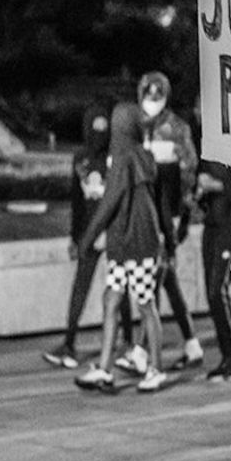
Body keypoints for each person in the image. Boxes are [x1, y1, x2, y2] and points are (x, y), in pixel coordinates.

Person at [73, 102, 169, 393]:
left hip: (136, 244)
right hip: (126, 243)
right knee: (112, 300)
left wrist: (87, 239)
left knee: (145, 305)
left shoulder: (125, 157)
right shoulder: (141, 155)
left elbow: (110, 201)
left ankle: (155, 368)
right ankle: (104, 369)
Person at [43, 105, 134, 369]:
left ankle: (128, 342)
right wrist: (75, 236)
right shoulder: (81, 159)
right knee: (81, 288)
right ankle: (69, 343)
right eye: (95, 130)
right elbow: (77, 201)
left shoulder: (115, 158)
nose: (99, 137)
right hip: (89, 233)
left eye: (104, 131)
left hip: (112, 231)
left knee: (120, 288)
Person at [136, 72, 204, 371]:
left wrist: (184, 217)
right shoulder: (136, 125)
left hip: (169, 213)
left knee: (156, 277)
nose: (152, 98)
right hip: (143, 214)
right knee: (167, 279)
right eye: (147, 93)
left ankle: (140, 350)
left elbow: (189, 173)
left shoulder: (177, 128)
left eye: (157, 93)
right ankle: (191, 344)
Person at [195, 158, 231, 381]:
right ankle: (229, 354)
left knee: (218, 290)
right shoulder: (206, 149)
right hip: (212, 224)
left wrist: (214, 186)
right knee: (211, 293)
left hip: (230, 225)